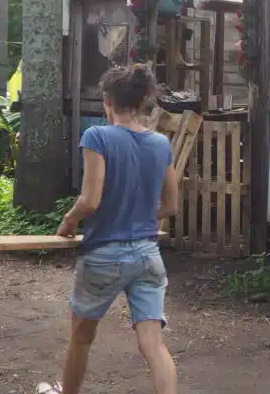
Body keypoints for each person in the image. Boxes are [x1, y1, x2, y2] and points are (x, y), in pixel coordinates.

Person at [36, 64, 179, 394]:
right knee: (153, 345)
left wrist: (69, 221)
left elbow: (90, 201)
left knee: (82, 336)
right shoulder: (160, 143)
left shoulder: (97, 136)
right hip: (148, 255)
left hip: (103, 257)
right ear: (144, 100)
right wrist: (138, 217)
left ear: (107, 100)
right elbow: (171, 207)